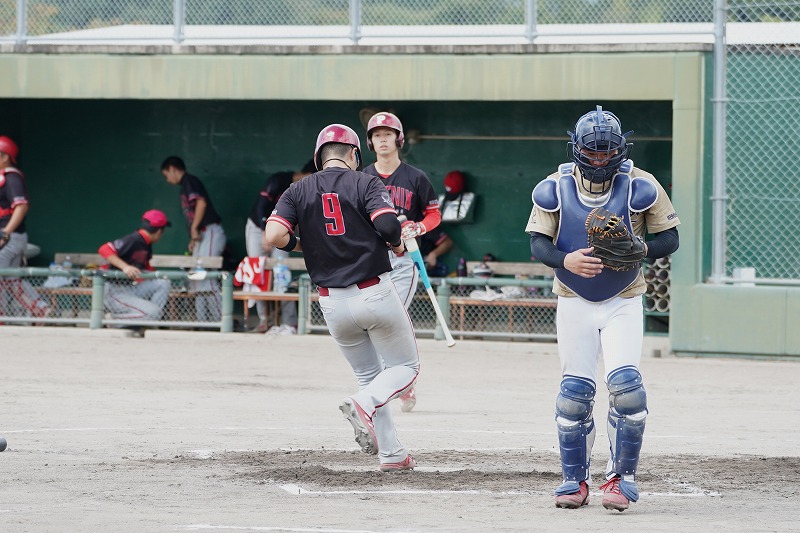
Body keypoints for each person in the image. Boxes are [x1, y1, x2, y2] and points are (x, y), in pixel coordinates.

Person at [526, 106, 680, 512]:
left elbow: (670, 238)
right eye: (592, 152)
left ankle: (621, 479)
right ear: (577, 149)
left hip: (623, 297)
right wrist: (565, 259)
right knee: (573, 396)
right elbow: (538, 243)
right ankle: (574, 479)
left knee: (628, 391)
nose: (599, 160)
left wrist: (641, 248)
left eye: (606, 151)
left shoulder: (640, 184)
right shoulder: (555, 186)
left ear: (620, 149)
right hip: (572, 298)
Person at [264, 124, 419, 472]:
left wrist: (302, 244)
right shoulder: (366, 181)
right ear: (353, 154)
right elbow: (389, 226)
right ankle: (364, 403)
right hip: (374, 291)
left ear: (320, 157)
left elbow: (274, 235)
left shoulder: (297, 189)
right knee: (405, 368)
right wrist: (396, 244)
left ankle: (392, 454)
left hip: (331, 302)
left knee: (369, 375)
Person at [363, 111, 442, 413]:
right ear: (370, 142)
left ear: (398, 139)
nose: (382, 139)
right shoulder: (363, 177)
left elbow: (433, 214)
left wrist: (418, 227)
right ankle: (402, 381)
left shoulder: (415, 177)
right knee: (374, 320)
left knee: (391, 316)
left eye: (387, 134)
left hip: (404, 259)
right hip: (371, 259)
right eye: (377, 135)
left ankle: (393, 381)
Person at [245, 160, 315, 333]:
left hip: (281, 231)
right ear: (307, 174)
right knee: (258, 272)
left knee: (282, 273)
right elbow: (261, 207)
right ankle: (264, 320)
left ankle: (289, 322)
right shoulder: (279, 180)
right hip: (257, 228)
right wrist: (264, 231)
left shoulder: (306, 191)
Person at [161, 156, 227, 322]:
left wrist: (194, 227)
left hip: (209, 231)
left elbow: (201, 203)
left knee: (206, 275)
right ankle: (202, 321)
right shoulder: (185, 185)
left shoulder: (189, 180)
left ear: (172, 169)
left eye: (166, 175)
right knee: (196, 277)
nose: (167, 179)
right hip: (202, 235)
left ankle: (221, 321)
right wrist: (193, 237)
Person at [0, 135, 51, 319]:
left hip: (9, 236)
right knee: (11, 280)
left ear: (5, 157)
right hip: (13, 236)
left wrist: (6, 233)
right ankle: (41, 310)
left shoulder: (11, 177)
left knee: (5, 278)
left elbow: (21, 207)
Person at [98, 210, 172, 324]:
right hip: (114, 292)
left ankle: (150, 317)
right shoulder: (134, 239)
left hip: (131, 288)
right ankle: (112, 320)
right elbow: (104, 249)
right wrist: (125, 267)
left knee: (163, 282)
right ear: (159, 231)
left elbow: (147, 268)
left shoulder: (146, 243)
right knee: (154, 313)